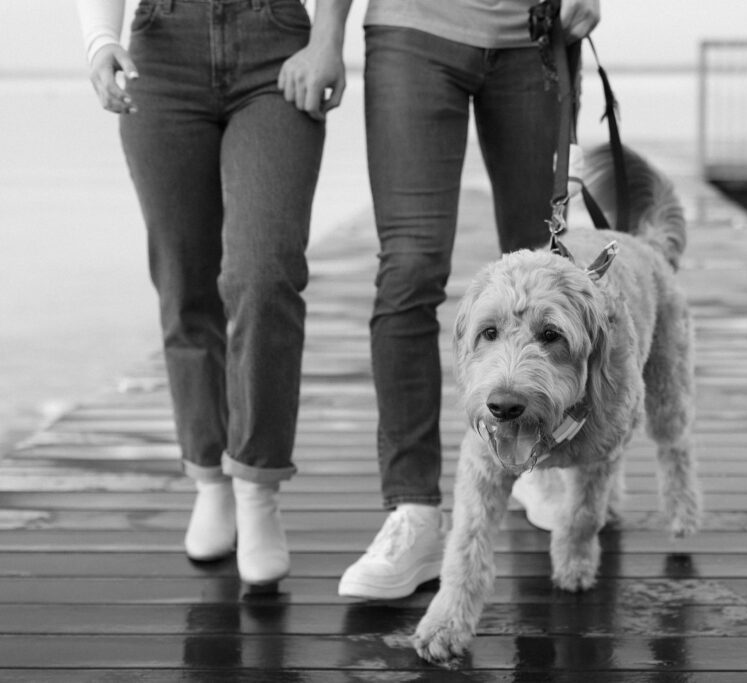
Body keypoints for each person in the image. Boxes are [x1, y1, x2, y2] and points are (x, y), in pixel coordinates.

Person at [285, 0, 601, 600]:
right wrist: (326, 35)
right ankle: (414, 513)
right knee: (409, 270)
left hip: (533, 33)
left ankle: (536, 457)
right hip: (414, 29)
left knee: (543, 267)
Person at [76, 0, 350, 586]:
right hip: (162, 50)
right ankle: (209, 478)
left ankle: (257, 488)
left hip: (276, 47)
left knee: (265, 272)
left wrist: (328, 38)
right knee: (184, 280)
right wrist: (100, 40)